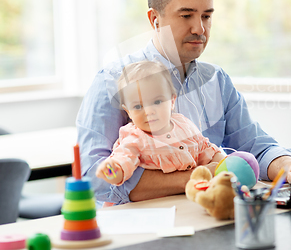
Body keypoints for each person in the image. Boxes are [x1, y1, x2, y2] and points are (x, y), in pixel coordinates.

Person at [77, 0, 291, 206]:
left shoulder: (217, 79)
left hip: (209, 217)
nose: (199, 28)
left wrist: (289, 166)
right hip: (144, 229)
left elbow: (256, 146)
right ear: (155, 20)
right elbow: (95, 179)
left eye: (206, 16)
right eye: (186, 16)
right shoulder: (112, 80)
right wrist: (200, 178)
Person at [95, 60, 226, 188]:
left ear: (172, 101)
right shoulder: (134, 138)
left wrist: (225, 164)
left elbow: (206, 150)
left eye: (157, 102)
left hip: (188, 200)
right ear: (128, 112)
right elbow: (124, 160)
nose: (148, 111)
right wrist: (111, 171)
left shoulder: (184, 125)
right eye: (138, 106)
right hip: (155, 206)